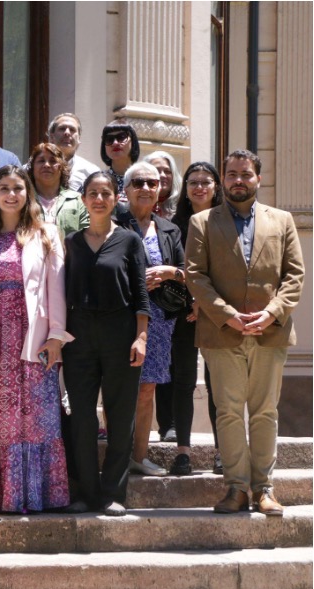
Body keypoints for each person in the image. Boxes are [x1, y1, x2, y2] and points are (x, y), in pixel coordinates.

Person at [186, 150, 304, 516]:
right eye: (232, 174)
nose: (239, 180)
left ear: (258, 179)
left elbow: (294, 276)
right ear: (223, 179)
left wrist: (271, 313)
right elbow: (195, 275)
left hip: (270, 332)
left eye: (246, 174)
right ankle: (236, 488)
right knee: (229, 413)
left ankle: (264, 489)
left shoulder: (282, 220)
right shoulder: (203, 222)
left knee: (265, 412)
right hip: (222, 333)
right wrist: (228, 315)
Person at [0, 165, 71, 513]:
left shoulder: (46, 233)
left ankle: (37, 494)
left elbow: (56, 287)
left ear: (28, 194)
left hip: (34, 339)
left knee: (38, 419)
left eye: (18, 188)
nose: (11, 195)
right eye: (4, 188)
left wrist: (56, 336)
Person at [61, 171, 149, 516]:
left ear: (116, 198)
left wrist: (141, 337)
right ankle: (85, 493)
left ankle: (113, 493)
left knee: (120, 416)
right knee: (82, 417)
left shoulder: (130, 241)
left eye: (106, 193)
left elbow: (141, 292)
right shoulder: (70, 242)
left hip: (121, 334)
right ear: (83, 199)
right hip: (78, 338)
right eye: (93, 193)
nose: (99, 199)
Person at [115, 162, 184, 478]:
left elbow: (187, 273)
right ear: (126, 189)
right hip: (119, 316)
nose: (145, 188)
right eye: (138, 182)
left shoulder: (169, 229)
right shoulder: (113, 223)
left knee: (146, 390)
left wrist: (170, 272)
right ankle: (117, 459)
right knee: (117, 390)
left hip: (158, 322)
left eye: (152, 183)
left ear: (159, 190)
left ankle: (139, 457)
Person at [159, 161, 225, 475]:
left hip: (217, 314)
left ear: (216, 187)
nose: (199, 187)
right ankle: (183, 452)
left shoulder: (227, 222)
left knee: (217, 385)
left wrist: (206, 302)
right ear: (185, 189)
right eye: (193, 182)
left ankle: (222, 452)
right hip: (184, 314)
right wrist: (193, 300)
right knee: (183, 381)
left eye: (205, 181)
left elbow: (228, 271)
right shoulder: (174, 226)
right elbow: (174, 267)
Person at [26, 142, 89, 241]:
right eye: (41, 161)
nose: (46, 165)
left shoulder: (78, 200)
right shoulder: (24, 200)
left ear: (62, 167)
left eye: (53, 161)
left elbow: (87, 236)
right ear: (32, 168)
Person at [46, 113, 100, 192]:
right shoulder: (35, 168)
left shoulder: (91, 172)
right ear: (51, 137)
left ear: (79, 139)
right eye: (62, 128)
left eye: (72, 129)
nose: (67, 133)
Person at [99, 121, 140, 207]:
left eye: (121, 137)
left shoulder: (145, 180)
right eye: (109, 139)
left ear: (133, 141)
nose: (115, 143)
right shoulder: (96, 181)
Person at [144, 151, 182, 221]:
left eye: (167, 171)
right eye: (156, 171)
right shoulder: (136, 204)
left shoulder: (183, 206)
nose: (162, 175)